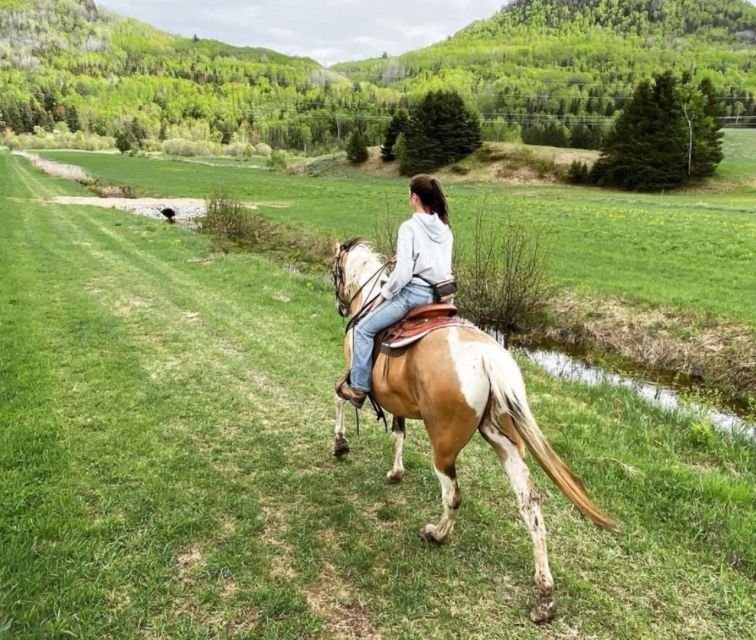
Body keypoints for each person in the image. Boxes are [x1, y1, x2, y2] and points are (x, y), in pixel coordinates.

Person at [336, 174, 454, 408]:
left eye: (409, 196)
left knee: (362, 328)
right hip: (439, 297)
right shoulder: (445, 229)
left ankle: (358, 388)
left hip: (413, 296)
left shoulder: (409, 227)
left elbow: (403, 276)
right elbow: (438, 265)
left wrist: (384, 294)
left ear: (414, 198)